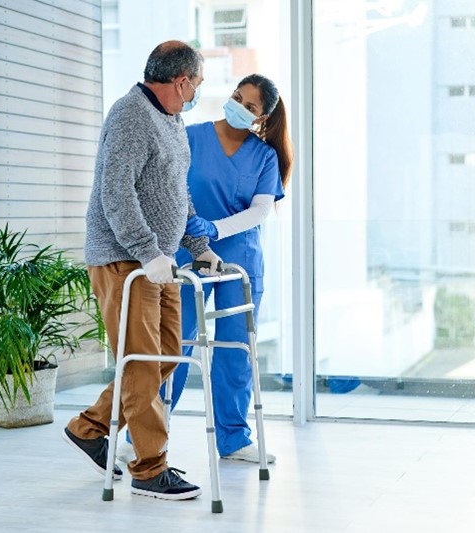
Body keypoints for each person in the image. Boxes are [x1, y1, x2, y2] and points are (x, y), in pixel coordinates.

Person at [61, 40, 221, 501]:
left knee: (166, 354)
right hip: (126, 259)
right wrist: (148, 251)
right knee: (144, 360)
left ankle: (90, 427)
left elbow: (178, 194)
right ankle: (150, 468)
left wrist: (198, 246)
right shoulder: (131, 114)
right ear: (181, 80)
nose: (197, 93)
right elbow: (116, 193)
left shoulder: (172, 121)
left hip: (160, 260)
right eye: (198, 84)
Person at [117, 74, 293, 466]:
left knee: (236, 347)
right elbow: (164, 188)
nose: (239, 107)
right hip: (183, 253)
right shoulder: (190, 137)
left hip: (239, 258)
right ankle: (139, 437)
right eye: (237, 97)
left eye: (250, 106)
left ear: (261, 118)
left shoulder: (264, 156)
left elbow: (261, 210)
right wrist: (191, 232)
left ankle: (233, 439)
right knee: (173, 346)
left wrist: (214, 229)